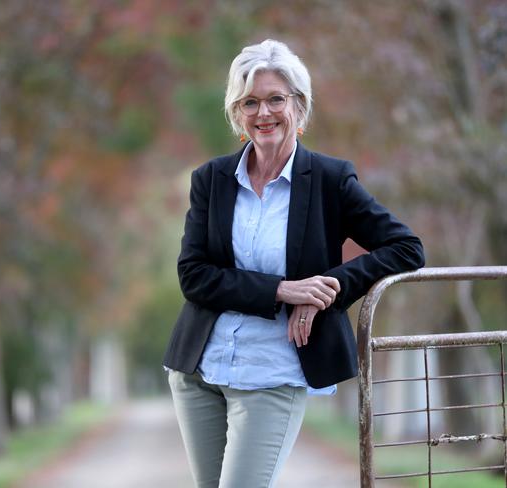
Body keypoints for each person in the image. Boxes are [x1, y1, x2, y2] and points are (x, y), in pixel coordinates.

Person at [162, 39, 425, 488]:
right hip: (199, 371)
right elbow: (194, 276)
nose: (263, 113)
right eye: (250, 102)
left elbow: (406, 248)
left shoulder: (329, 180)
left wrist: (328, 288)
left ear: (299, 107)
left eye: (275, 99)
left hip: (272, 373)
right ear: (237, 113)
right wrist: (284, 290)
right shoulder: (211, 180)